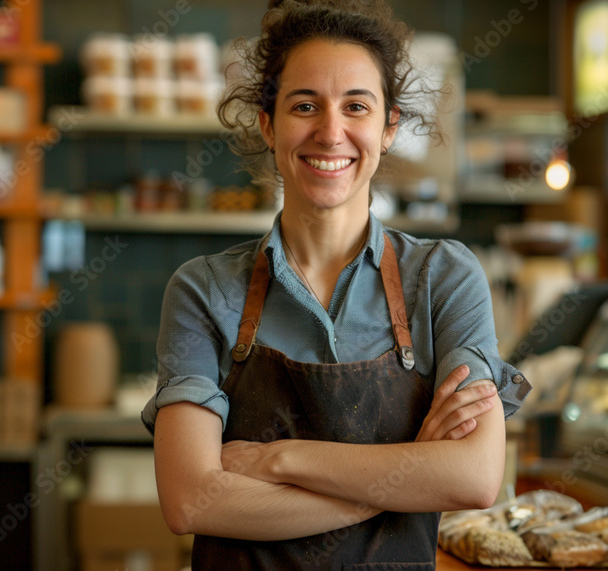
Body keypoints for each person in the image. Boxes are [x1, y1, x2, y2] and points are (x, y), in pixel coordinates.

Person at [142, 0, 532, 567]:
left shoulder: (443, 278)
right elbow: (191, 502)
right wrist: (403, 478)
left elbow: (473, 477)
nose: (331, 132)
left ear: (389, 126)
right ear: (268, 123)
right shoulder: (203, 290)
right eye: (305, 105)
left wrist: (281, 460)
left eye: (356, 106)